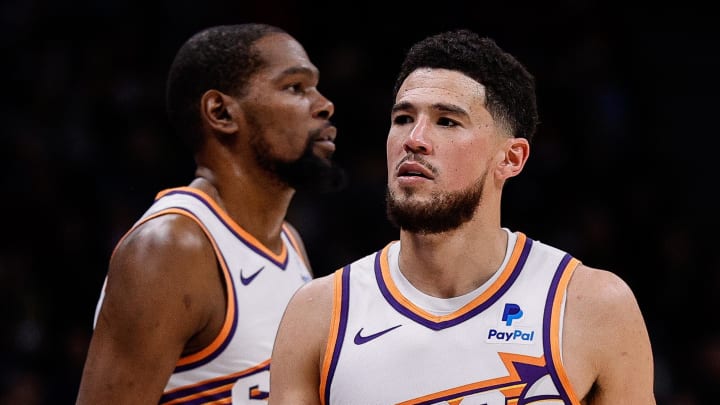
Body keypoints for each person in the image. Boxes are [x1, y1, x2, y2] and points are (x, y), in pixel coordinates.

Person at [268, 29, 656, 405]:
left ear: (511, 158)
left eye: (447, 121)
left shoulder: (593, 306)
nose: (414, 139)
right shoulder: (318, 313)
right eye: (403, 118)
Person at [76, 23, 345, 404]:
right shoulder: (170, 249)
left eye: (315, 87)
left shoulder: (288, 241)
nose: (323, 104)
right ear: (220, 112)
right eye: (295, 87)